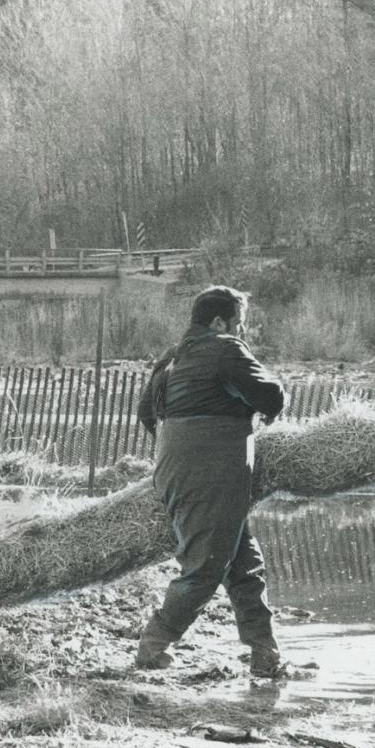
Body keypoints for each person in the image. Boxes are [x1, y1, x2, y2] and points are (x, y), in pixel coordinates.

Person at [134, 285, 288, 676]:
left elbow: (146, 414)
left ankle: (265, 655)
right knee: (205, 566)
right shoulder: (225, 348)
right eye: (239, 323)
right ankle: (153, 645)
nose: (241, 332)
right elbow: (271, 395)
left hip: (176, 466)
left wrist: (181, 451)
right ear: (220, 322)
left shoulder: (170, 358)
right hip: (214, 469)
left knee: (244, 563)